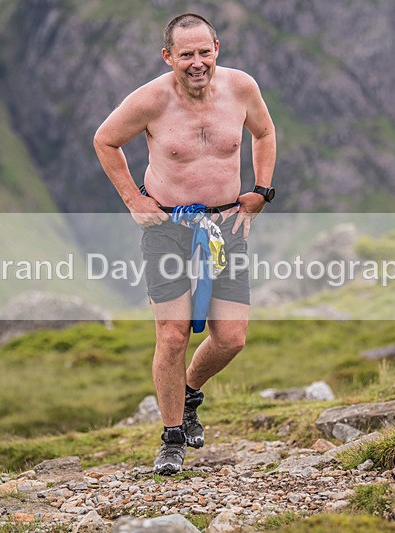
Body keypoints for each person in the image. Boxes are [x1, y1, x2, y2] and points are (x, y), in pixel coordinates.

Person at [93, 13, 276, 475]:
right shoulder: (152, 100)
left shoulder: (241, 88)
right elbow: (105, 140)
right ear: (168, 57)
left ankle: (191, 390)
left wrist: (260, 191)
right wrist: (134, 201)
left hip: (225, 228)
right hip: (167, 228)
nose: (197, 63)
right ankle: (172, 438)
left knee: (231, 339)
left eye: (204, 52)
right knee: (172, 335)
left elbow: (265, 133)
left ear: (217, 48)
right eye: (186, 55)